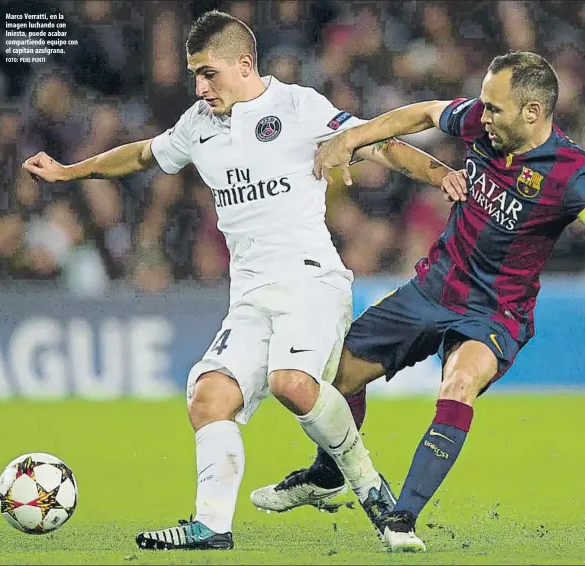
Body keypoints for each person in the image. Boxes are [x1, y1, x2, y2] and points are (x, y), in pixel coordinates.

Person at [22, 10, 463, 553]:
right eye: (194, 75)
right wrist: (70, 172)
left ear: (244, 64)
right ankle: (211, 525)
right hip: (249, 296)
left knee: (291, 383)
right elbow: (140, 154)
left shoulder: (299, 107)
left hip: (310, 280)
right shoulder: (197, 125)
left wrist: (438, 173)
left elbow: (380, 145)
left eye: (209, 73)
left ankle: (372, 492)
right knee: (208, 397)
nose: (201, 86)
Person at [250, 51, 585, 552]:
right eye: (483, 106)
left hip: (496, 311)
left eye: (494, 108)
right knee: (333, 383)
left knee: (460, 381)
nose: (482, 115)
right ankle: (327, 476)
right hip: (434, 288)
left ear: (533, 112)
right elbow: (426, 113)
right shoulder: (479, 123)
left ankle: (401, 517)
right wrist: (351, 137)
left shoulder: (570, 174)